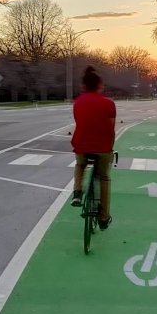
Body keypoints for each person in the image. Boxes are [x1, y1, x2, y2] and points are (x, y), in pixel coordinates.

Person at [70, 66, 116, 229]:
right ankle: (103, 217)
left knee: (80, 165)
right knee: (103, 177)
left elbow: (80, 123)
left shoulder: (78, 103)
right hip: (103, 147)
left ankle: (77, 192)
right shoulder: (109, 104)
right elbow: (111, 128)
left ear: (83, 86)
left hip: (81, 145)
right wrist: (110, 148)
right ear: (100, 85)